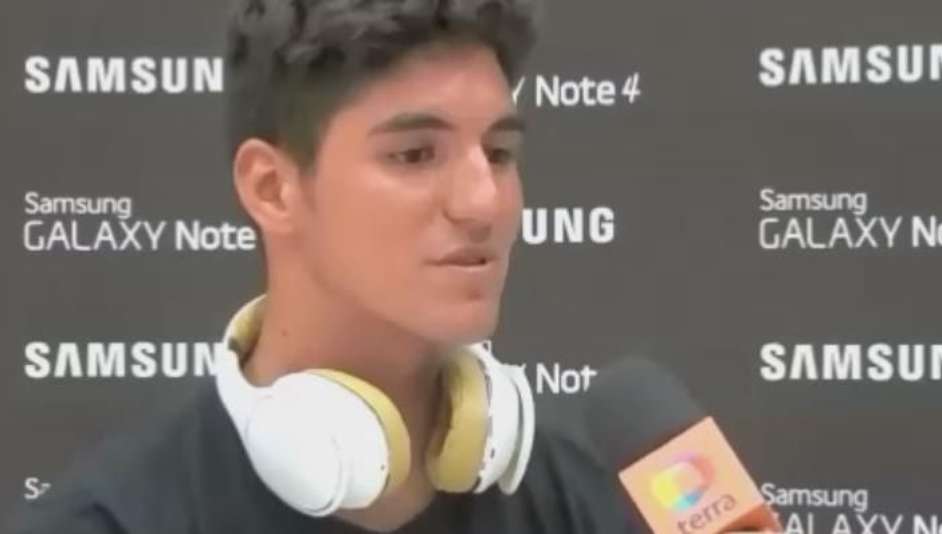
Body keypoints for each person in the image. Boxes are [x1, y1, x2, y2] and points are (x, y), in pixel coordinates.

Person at [7, 0, 652, 532]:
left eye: (499, 152)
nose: (484, 201)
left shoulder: (594, 501)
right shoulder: (113, 518)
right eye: (415, 155)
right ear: (271, 188)